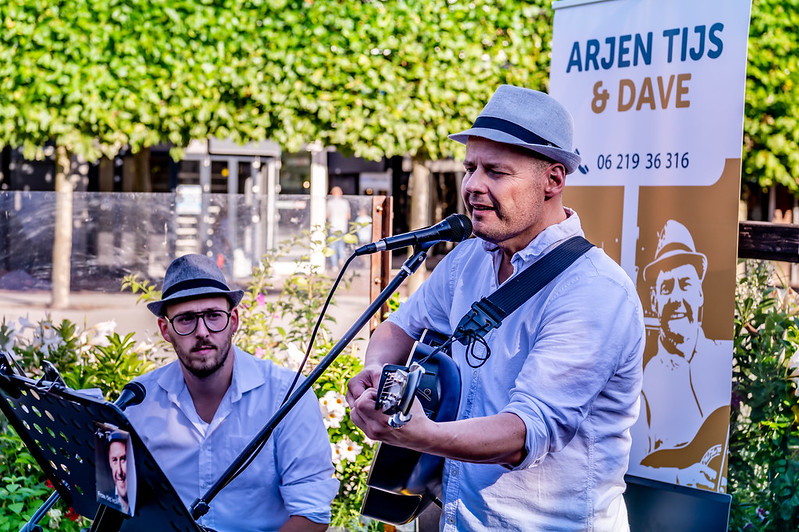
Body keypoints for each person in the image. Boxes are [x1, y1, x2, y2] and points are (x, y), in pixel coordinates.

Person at [346, 85, 645, 530]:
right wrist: (374, 372)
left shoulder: (594, 292)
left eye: (496, 172)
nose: (473, 186)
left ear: (554, 180)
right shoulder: (468, 258)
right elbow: (397, 330)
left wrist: (421, 435)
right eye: (470, 168)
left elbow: (522, 434)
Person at [125, 254, 338, 531]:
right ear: (166, 329)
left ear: (234, 321)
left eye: (214, 316)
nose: (202, 332)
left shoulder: (288, 396)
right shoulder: (140, 399)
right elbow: (118, 504)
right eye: (187, 319)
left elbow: (312, 515)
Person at [630, 220, 732, 491]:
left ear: (700, 294)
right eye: (667, 288)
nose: (676, 297)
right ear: (654, 302)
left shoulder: (725, 359)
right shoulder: (639, 382)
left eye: (685, 284)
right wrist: (676, 477)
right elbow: (631, 468)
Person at [326, 186, 351, 270]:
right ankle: (341, 259)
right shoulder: (345, 203)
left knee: (333, 247)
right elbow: (348, 216)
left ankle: (334, 266)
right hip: (342, 227)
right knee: (341, 246)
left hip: (333, 227)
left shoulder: (330, 203)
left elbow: (326, 215)